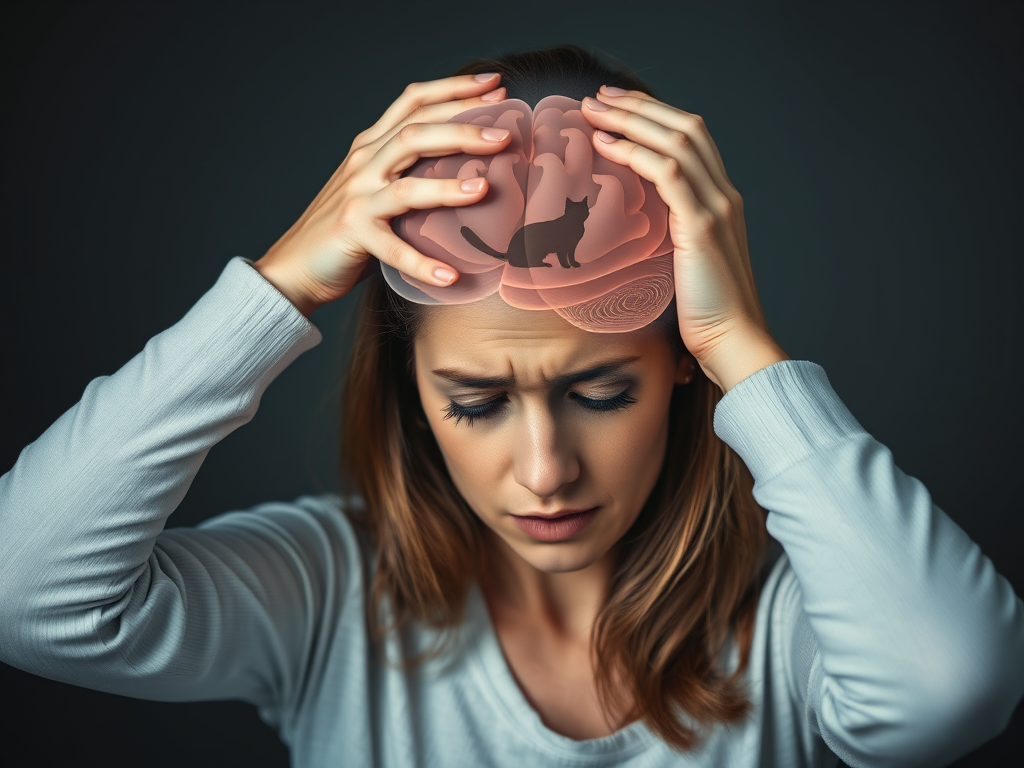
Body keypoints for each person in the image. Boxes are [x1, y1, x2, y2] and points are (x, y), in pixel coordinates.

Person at [0, 43, 1021, 768]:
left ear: (678, 366)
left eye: (600, 390)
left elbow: (952, 690)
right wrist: (278, 290)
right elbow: (23, 592)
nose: (544, 470)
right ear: (409, 385)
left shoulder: (796, 627)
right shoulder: (322, 595)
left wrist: (743, 349)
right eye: (476, 401)